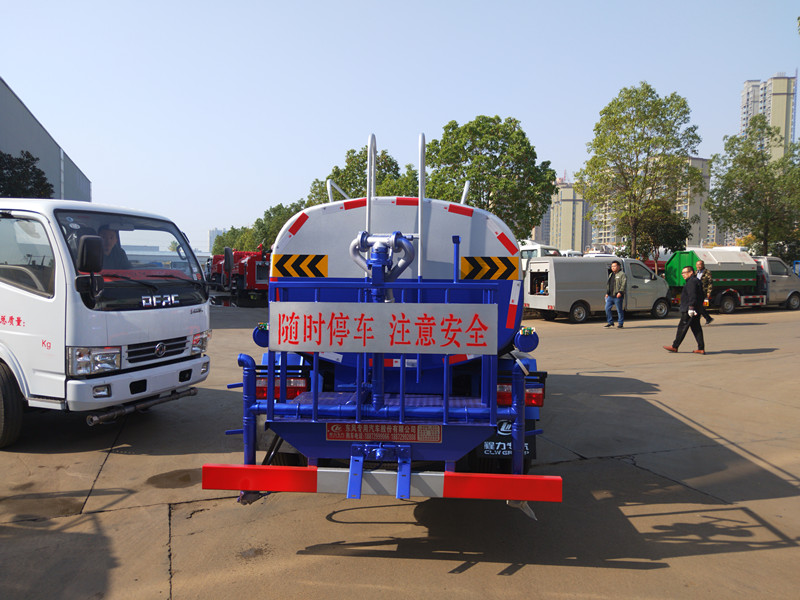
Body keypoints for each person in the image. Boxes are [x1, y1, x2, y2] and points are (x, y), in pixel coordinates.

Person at [664, 265, 706, 354]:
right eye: (682, 273)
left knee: (682, 327)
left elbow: (692, 295)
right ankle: (701, 348)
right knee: (696, 328)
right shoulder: (696, 281)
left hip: (689, 309)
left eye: (685, 272)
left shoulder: (691, 282)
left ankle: (675, 346)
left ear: (691, 272)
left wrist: (691, 307)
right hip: (695, 309)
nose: (683, 274)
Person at [604, 260, 627, 328]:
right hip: (610, 296)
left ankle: (620, 323)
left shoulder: (622, 274)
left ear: (618, 267)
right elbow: (609, 284)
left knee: (619, 310)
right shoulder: (611, 274)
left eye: (614, 266)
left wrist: (620, 292)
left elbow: (623, 284)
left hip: (618, 296)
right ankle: (610, 322)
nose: (613, 267)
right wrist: (607, 293)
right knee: (607, 308)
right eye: (612, 266)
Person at [695, 259, 714, 325]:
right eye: (697, 265)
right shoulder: (696, 272)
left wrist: (709, 292)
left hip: (703, 291)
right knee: (698, 306)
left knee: (700, 306)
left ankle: (707, 318)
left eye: (700, 264)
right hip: (697, 291)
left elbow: (710, 283)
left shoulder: (707, 272)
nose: (698, 266)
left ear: (703, 265)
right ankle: (708, 318)